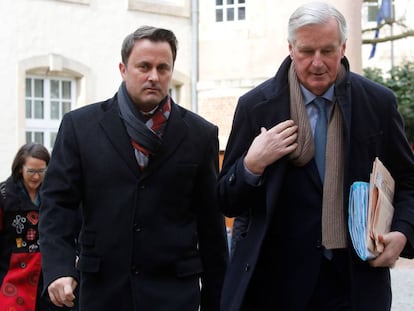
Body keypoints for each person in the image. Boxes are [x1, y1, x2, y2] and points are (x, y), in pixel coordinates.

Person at [218, 2, 414, 310]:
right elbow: (227, 200)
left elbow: (408, 181)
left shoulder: (377, 104)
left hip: (355, 283)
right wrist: (250, 166)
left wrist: (402, 232)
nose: (318, 63)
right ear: (291, 49)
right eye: (307, 52)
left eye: (328, 50)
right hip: (275, 287)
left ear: (344, 47)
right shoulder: (256, 107)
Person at [39, 26, 228, 311]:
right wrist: (58, 267)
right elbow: (57, 204)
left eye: (163, 68)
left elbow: (210, 225)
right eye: (144, 66)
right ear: (123, 69)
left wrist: (217, 298)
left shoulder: (200, 134)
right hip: (102, 291)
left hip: (174, 294)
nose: (154, 76)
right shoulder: (81, 127)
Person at [0, 142, 51, 310]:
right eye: (31, 171)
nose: (36, 177)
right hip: (11, 275)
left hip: (48, 276)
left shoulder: (55, 197)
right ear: (20, 168)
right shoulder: (4, 196)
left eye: (40, 171)